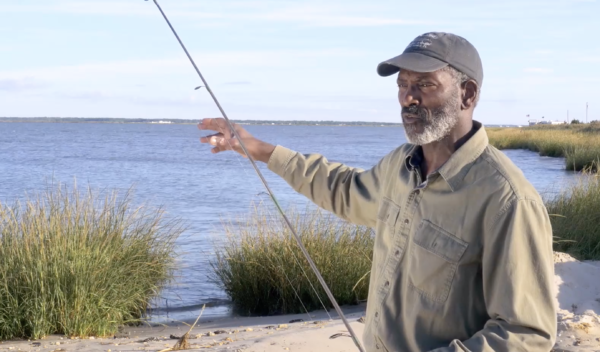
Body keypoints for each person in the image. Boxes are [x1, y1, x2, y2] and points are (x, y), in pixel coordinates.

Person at [198, 32, 557, 352]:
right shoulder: (401, 165)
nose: (408, 98)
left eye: (425, 85)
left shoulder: (507, 200)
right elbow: (342, 188)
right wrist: (257, 148)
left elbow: (526, 334)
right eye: (402, 85)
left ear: (468, 94)